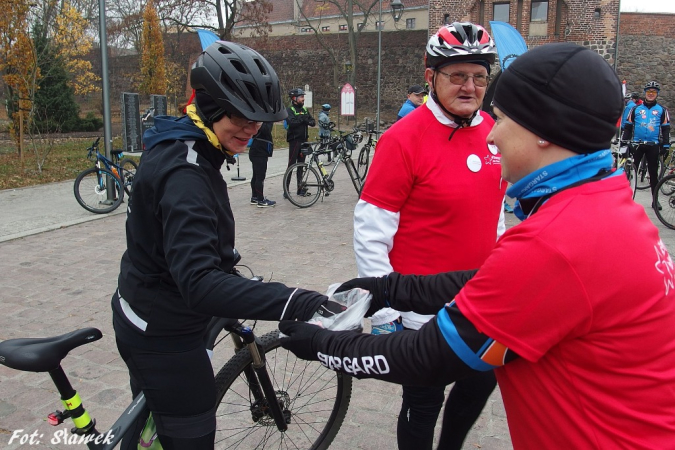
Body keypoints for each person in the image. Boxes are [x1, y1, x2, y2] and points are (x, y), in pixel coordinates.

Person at [279, 42, 675, 449]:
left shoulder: (556, 240)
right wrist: (387, 289)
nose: (493, 134)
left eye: (502, 119)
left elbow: (427, 356)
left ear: (542, 129)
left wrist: (324, 344)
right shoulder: (604, 201)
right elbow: (503, 278)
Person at [111, 41, 343, 450]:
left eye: (260, 120)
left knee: (154, 426)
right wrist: (298, 302)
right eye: (241, 116)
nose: (252, 129)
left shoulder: (181, 140)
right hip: (164, 332)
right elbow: (199, 284)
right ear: (211, 105)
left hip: (141, 302)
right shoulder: (187, 174)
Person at [352, 22, 506, 450]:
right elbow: (371, 231)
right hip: (421, 310)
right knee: (422, 404)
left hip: (478, 302)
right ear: (431, 78)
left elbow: (496, 216)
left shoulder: (493, 131)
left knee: (480, 383)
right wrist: (385, 311)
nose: (470, 86)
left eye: (478, 76)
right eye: (457, 76)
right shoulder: (403, 138)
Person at [622, 81, 670, 209]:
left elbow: (665, 129)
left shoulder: (662, 110)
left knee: (653, 174)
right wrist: (624, 142)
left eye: (653, 92)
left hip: (653, 145)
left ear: (657, 94)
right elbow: (628, 127)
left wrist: (666, 145)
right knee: (630, 173)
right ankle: (625, 200)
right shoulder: (635, 109)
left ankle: (655, 200)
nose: (650, 94)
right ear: (645, 93)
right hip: (637, 144)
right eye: (649, 91)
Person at [284, 87, 316, 198]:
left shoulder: (305, 110)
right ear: (294, 98)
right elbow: (292, 123)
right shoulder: (289, 110)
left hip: (304, 141)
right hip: (294, 141)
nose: (303, 99)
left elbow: (312, 122)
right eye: (301, 97)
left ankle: (300, 189)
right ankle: (286, 190)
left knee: (301, 166)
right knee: (291, 165)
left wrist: (305, 119)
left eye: (303, 97)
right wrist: (303, 119)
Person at [249, 121, 275, 207]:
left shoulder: (256, 120)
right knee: (260, 177)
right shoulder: (263, 123)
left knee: (256, 175)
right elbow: (267, 130)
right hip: (260, 151)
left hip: (255, 150)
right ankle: (260, 199)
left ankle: (254, 197)